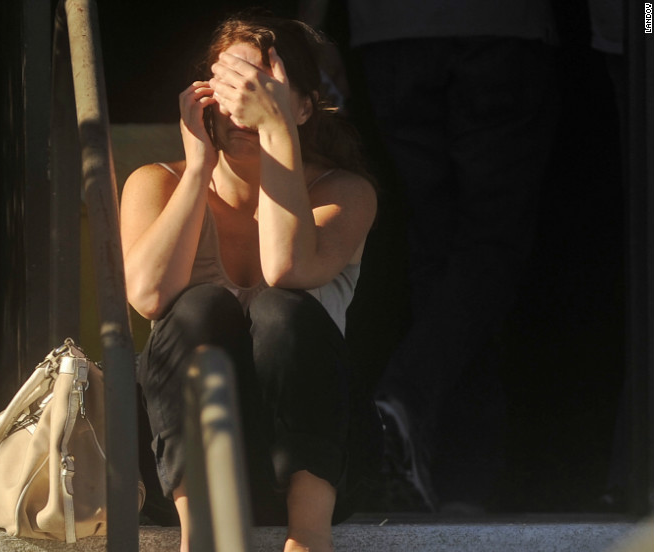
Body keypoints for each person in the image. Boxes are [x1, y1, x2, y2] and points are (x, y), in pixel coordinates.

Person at [120, 12, 381, 552]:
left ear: (304, 105)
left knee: (281, 309)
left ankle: (308, 540)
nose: (242, 106)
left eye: (261, 87)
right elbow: (147, 297)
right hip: (184, 471)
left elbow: (286, 270)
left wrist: (277, 129)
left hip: (315, 472)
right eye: (231, 84)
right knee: (199, 307)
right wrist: (197, 169)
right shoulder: (154, 183)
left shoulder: (346, 192)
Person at [347, 0, 560, 512]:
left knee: (437, 250)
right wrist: (642, 19)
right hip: (499, 26)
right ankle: (410, 402)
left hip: (389, 31)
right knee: (490, 242)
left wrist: (316, 29)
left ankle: (456, 479)